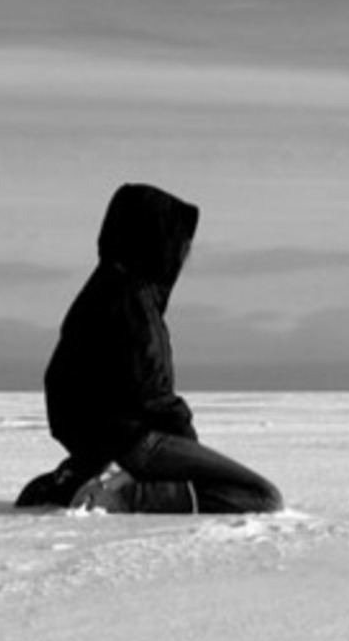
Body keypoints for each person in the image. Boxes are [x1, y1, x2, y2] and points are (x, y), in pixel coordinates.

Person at [15, 183, 283, 514]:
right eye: (179, 244)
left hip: (108, 443)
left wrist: (89, 446)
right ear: (154, 239)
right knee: (261, 495)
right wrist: (183, 442)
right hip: (137, 442)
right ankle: (120, 497)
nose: (183, 256)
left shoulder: (101, 290)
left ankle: (75, 481)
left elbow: (57, 381)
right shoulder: (133, 302)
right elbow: (153, 393)